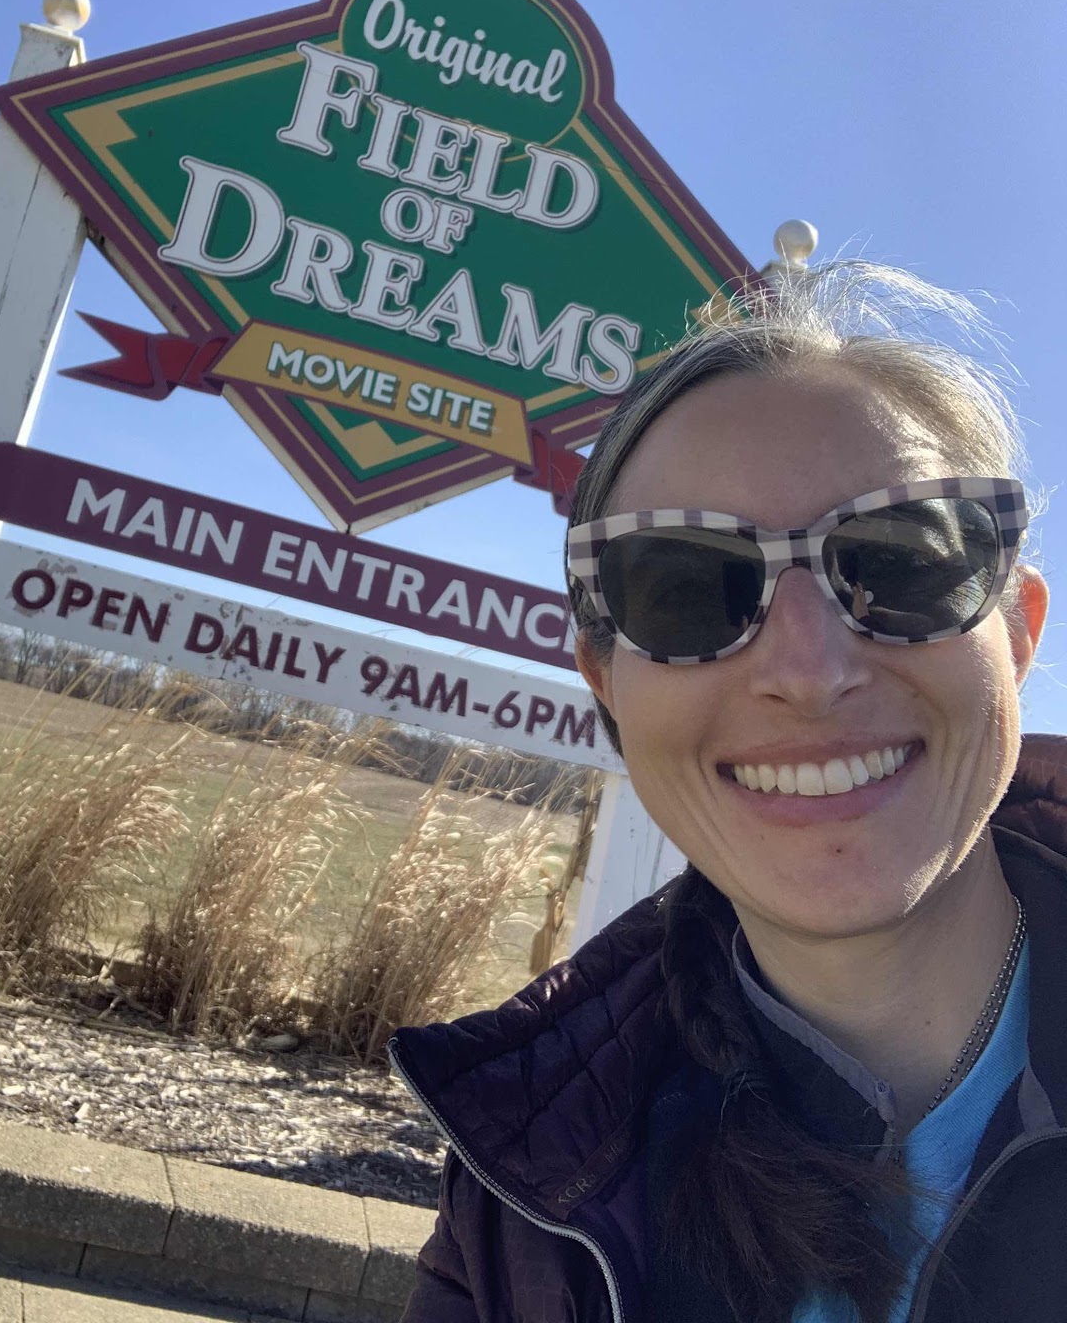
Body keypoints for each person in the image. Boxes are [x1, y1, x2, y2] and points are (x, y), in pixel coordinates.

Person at [390, 262, 1066, 1323]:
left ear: (1017, 634)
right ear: (607, 682)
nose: (809, 669)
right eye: (686, 587)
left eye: (900, 562)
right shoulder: (524, 1181)